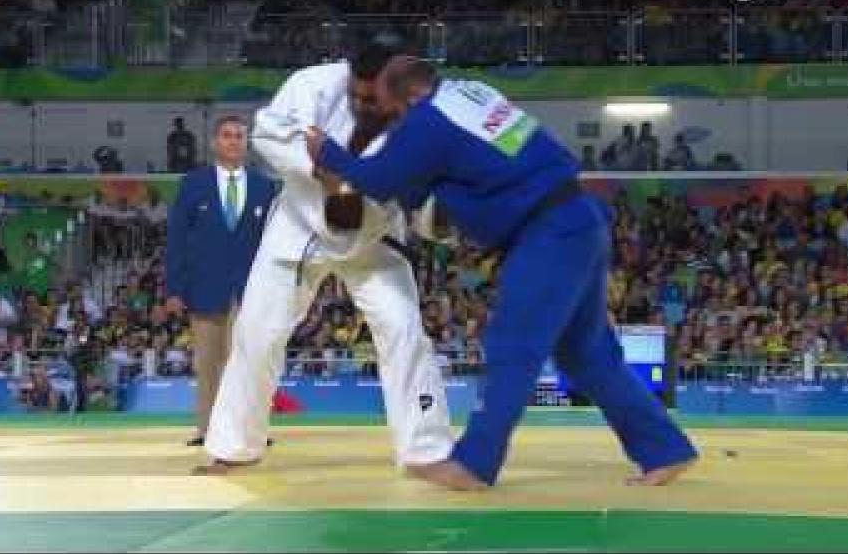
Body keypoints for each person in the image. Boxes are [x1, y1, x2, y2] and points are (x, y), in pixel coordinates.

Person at [307, 57, 697, 490]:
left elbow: (377, 179)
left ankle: (474, 464)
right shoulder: (472, 92)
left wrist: (326, 151)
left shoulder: (427, 120)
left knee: (511, 345)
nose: (395, 121)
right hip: (580, 218)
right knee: (586, 353)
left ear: (409, 96)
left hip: (546, 233)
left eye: (392, 109)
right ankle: (665, 450)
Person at [197, 44, 454, 475]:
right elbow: (266, 133)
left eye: (371, 99)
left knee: (404, 329)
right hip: (300, 229)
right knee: (258, 333)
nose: (359, 103)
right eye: (355, 93)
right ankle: (234, 447)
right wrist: (321, 169)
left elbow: (428, 197)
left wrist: (440, 218)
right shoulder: (312, 84)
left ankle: (426, 450)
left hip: (374, 235)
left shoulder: (424, 111)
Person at [166, 114, 278, 447]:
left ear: (248, 143)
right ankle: (207, 429)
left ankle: (250, 429)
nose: (233, 141)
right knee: (207, 363)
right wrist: (174, 288)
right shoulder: (193, 184)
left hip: (251, 291)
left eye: (240, 136)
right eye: (227, 136)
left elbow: (272, 242)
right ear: (215, 142)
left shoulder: (264, 186)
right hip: (203, 288)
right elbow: (176, 239)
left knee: (248, 363)